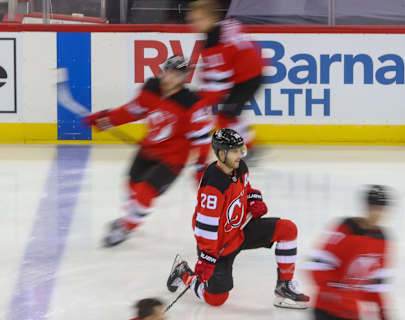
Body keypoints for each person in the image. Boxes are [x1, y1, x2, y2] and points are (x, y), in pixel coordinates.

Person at [166, 128, 310, 309]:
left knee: (287, 229)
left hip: (241, 229)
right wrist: (207, 257)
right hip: (218, 245)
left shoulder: (239, 167)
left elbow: (246, 189)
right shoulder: (213, 184)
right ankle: (184, 274)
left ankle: (284, 287)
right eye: (235, 151)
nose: (240, 155)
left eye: (241, 150)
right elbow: (204, 226)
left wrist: (254, 199)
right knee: (216, 299)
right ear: (221, 153)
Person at [83, 55, 213, 246]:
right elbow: (132, 111)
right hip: (147, 150)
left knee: (145, 191)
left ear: (183, 78)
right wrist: (106, 118)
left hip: (173, 159)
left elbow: (202, 138)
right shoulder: (151, 89)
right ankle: (130, 216)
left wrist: (201, 164)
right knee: (131, 186)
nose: (170, 78)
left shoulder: (191, 104)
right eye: (168, 72)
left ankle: (127, 226)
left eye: (176, 75)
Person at [187, 0, 265, 182]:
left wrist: (200, 102)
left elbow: (219, 84)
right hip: (249, 72)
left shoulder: (213, 42)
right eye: (192, 20)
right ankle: (250, 147)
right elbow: (216, 72)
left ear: (210, 18)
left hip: (248, 78)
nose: (194, 25)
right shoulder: (226, 25)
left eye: (197, 20)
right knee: (228, 115)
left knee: (226, 116)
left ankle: (250, 149)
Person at [307, 185, 393, 320]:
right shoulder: (346, 229)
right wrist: (334, 292)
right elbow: (316, 265)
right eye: (374, 207)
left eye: (381, 209)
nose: (377, 213)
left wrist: (383, 312)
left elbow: (377, 283)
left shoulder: (382, 239)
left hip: (351, 312)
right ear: (366, 207)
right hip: (326, 309)